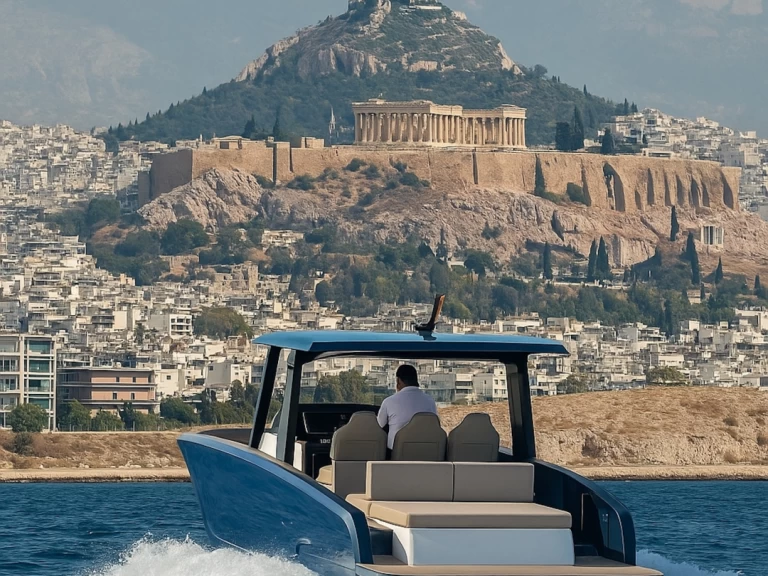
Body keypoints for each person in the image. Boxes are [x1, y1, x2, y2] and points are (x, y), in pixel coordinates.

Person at [377, 364, 437, 450]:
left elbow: (379, 426)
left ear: (398, 381)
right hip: (425, 451)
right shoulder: (430, 401)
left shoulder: (389, 402)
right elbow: (434, 425)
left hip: (396, 454)